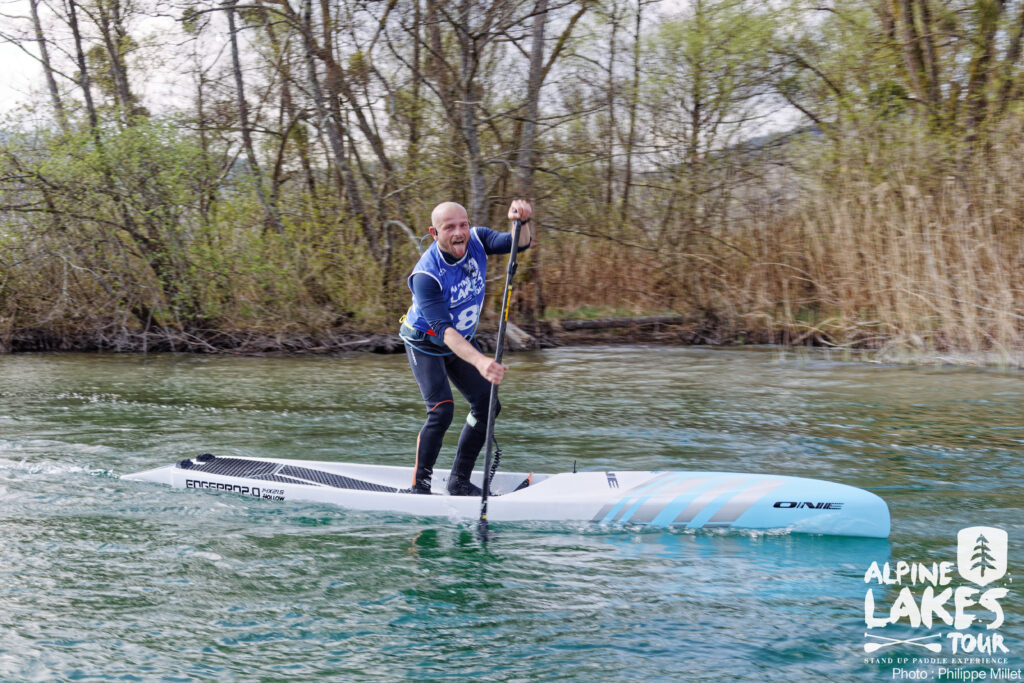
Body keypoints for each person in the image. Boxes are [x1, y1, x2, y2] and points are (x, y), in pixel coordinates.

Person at [399, 199, 533, 495]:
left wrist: (521, 221)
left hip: (460, 338)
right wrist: (481, 362)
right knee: (442, 410)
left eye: (464, 225)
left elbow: (518, 244)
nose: (459, 233)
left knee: (487, 405)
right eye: (449, 228)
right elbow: (444, 332)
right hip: (426, 343)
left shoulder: (478, 240)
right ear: (434, 233)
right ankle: (419, 487)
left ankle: (459, 481)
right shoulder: (425, 276)